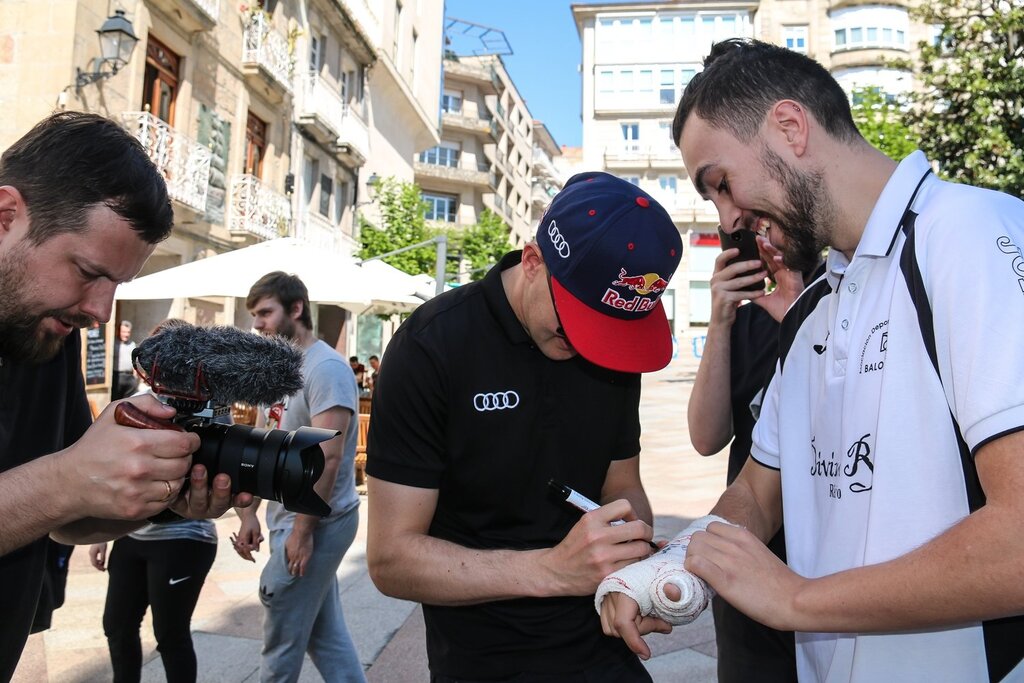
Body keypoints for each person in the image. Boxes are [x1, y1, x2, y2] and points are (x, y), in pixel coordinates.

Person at [597, 38, 1024, 681]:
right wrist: (668, 570)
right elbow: (756, 495)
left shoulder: (966, 233)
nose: (729, 215)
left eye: (721, 182)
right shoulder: (817, 308)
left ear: (790, 127)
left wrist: (795, 600)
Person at [366, 171, 683, 682]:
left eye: (609, 330)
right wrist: (553, 571)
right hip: (484, 659)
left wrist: (634, 570)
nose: (589, 348)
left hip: (601, 645)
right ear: (534, 261)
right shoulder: (432, 346)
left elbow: (622, 487)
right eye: (579, 323)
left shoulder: (612, 352)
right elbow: (390, 559)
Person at [0, 111, 247, 680]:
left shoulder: (46, 333)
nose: (100, 311)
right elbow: (55, 489)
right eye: (88, 271)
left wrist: (153, 495)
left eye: (117, 286)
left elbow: (62, 519)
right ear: (7, 216)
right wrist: (64, 478)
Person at [687, 225, 810, 683]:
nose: (762, 239)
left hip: (833, 568)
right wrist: (720, 320)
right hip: (749, 557)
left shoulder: (842, 296)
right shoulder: (747, 316)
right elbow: (706, 437)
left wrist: (799, 316)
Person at [232, 272, 365, 683]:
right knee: (324, 637)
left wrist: (303, 530)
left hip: (319, 521)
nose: (257, 323)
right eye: (254, 314)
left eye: (265, 313)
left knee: (280, 634)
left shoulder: (326, 368)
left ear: (296, 309)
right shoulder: (275, 368)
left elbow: (328, 455)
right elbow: (259, 443)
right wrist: (249, 513)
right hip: (287, 517)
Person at [88, 319, 220, 683]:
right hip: (131, 536)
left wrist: (248, 515)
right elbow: (111, 475)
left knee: (170, 635)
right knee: (116, 626)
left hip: (185, 537)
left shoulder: (209, 407)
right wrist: (101, 533)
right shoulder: (132, 405)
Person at [111, 319, 139, 400]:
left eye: (128, 332)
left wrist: (135, 373)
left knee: (131, 401)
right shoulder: (113, 343)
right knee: (116, 400)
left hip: (130, 377)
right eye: (124, 332)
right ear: (119, 331)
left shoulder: (132, 344)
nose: (126, 334)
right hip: (117, 376)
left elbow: (134, 360)